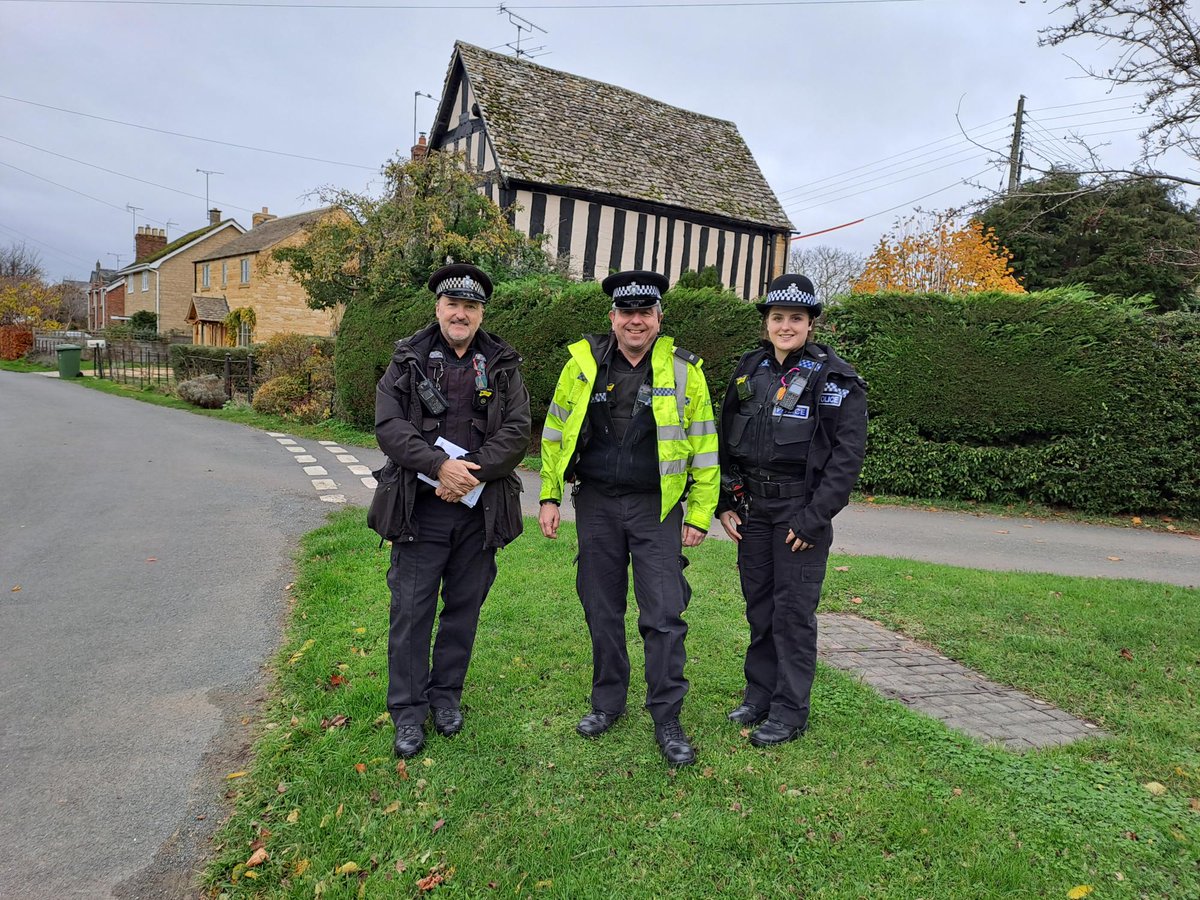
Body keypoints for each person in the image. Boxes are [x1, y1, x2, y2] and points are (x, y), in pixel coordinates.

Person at [538, 270, 719, 767]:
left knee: (663, 614)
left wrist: (700, 513)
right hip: (594, 502)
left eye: (645, 312)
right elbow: (554, 435)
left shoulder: (685, 372)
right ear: (612, 318)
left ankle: (667, 717)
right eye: (626, 312)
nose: (635, 321)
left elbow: (705, 447)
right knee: (601, 607)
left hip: (656, 507)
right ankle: (607, 703)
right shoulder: (581, 367)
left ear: (659, 318)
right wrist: (549, 495)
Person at [375, 263, 531, 758]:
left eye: (470, 306)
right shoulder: (408, 359)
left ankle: (446, 698)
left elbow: (517, 431)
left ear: (481, 312)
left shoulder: (503, 363)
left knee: (463, 612)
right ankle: (407, 711)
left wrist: (471, 473)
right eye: (452, 304)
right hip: (419, 511)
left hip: (479, 513)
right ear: (438, 308)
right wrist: (440, 467)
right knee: (411, 613)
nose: (460, 313)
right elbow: (390, 425)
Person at [716, 273, 867, 746]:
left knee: (793, 614)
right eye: (777, 317)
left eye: (795, 318)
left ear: (810, 324)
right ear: (766, 323)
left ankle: (789, 711)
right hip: (753, 512)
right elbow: (723, 440)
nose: (786, 326)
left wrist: (813, 518)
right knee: (760, 610)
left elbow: (846, 460)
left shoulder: (835, 379)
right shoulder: (748, 371)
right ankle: (759, 695)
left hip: (800, 516)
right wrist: (725, 500)